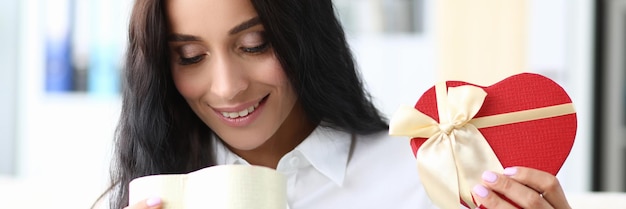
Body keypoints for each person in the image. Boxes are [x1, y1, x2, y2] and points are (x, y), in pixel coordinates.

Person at [102, 0, 573, 208]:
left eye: (254, 45)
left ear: (304, 38)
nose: (226, 87)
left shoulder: (427, 178)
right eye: (191, 57)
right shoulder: (155, 192)